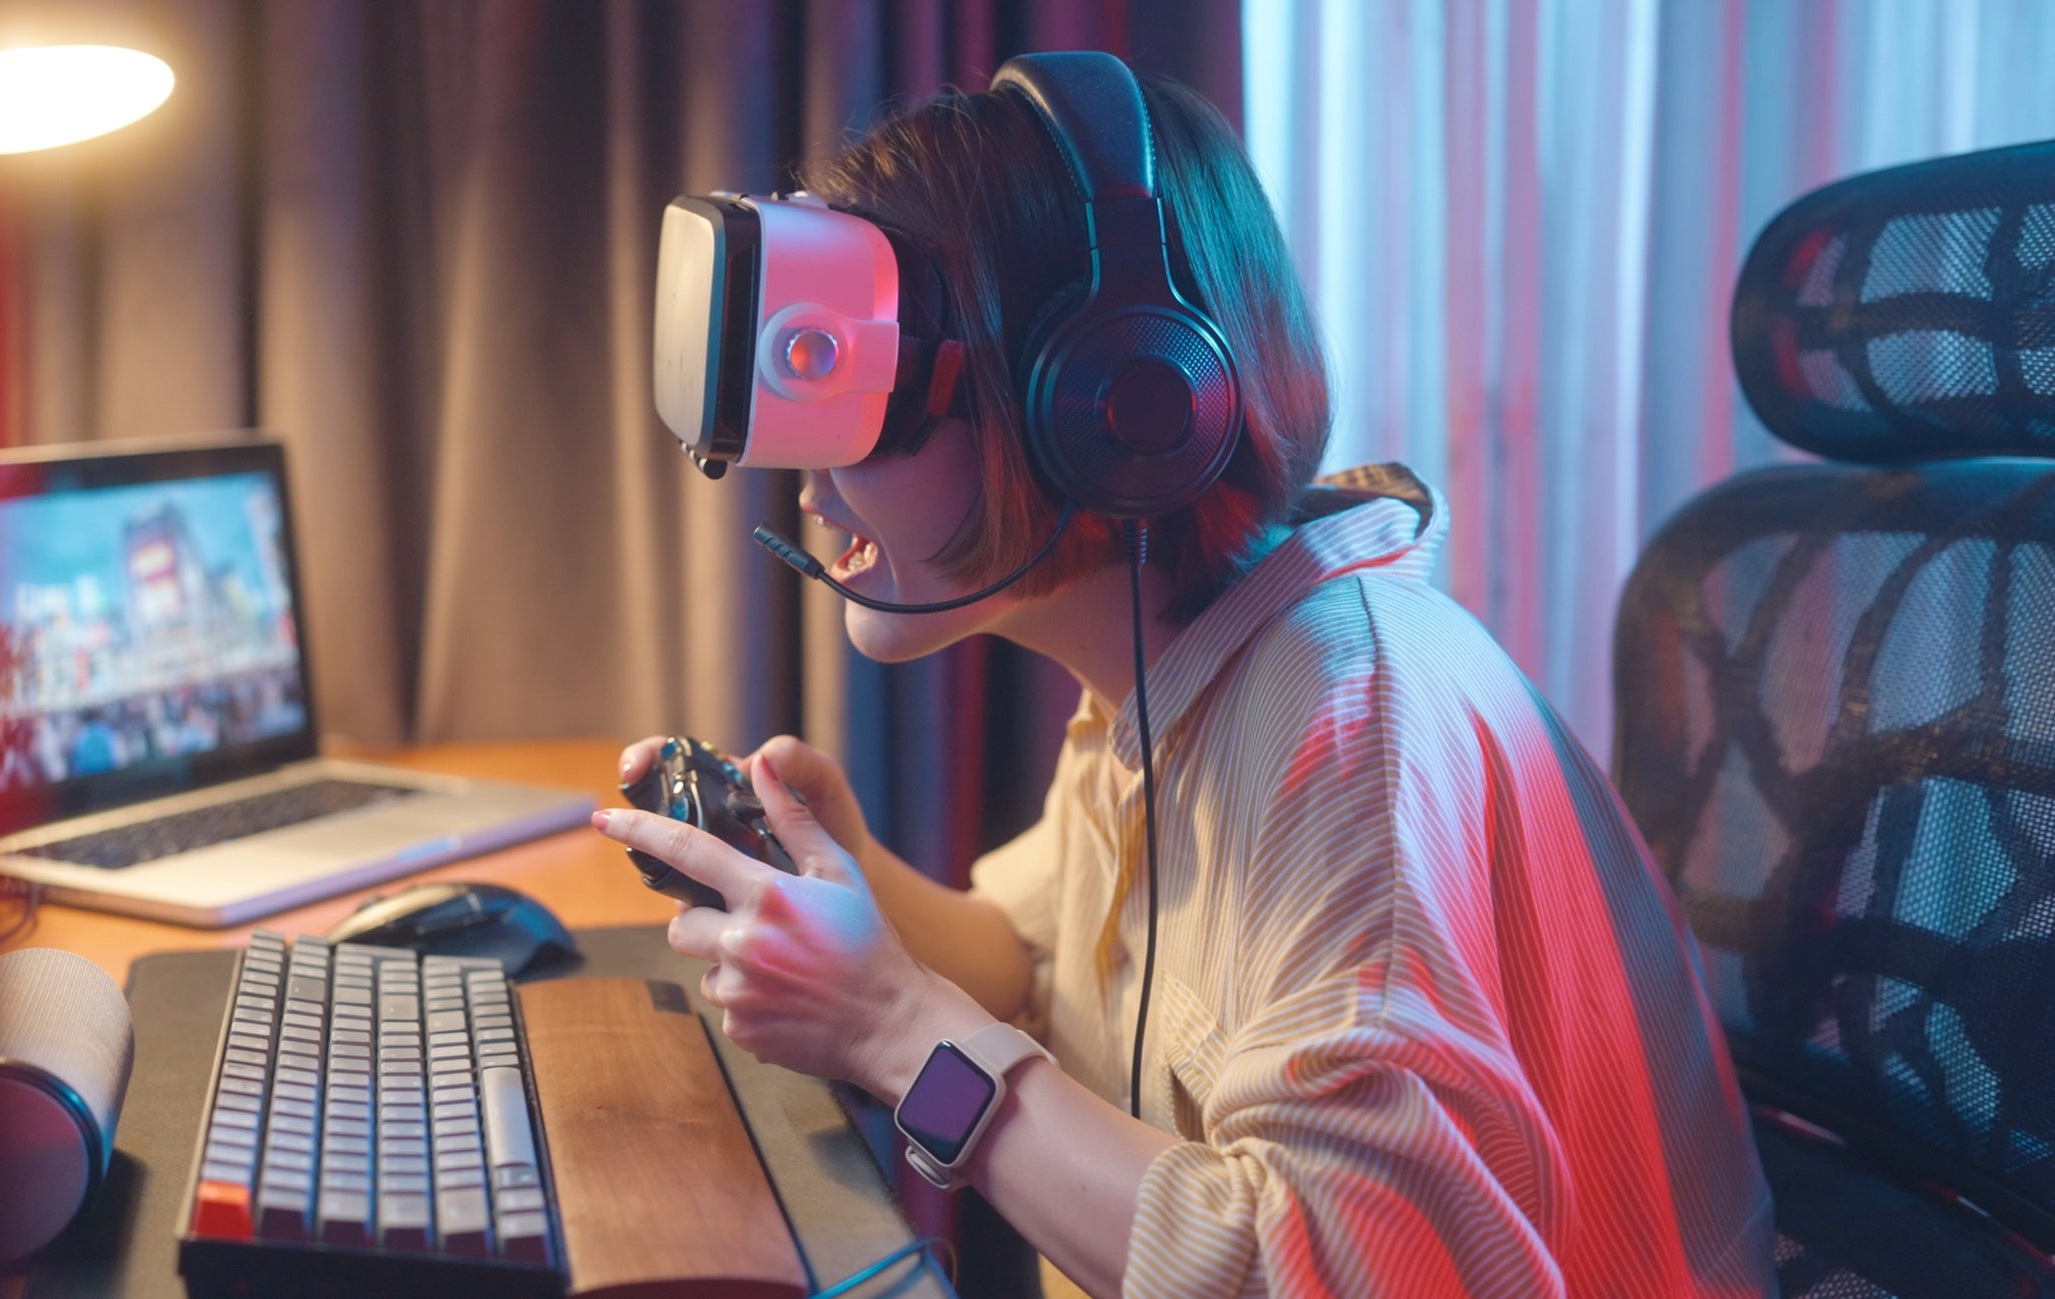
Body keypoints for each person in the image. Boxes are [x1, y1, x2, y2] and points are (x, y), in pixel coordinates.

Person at [591, 71, 1776, 1299]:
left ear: (1102, 401)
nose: (805, 476)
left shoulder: (1339, 724)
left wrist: (892, 1031)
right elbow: (1034, 964)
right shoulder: (1170, 663)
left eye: (864, 403)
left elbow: (1350, 1275)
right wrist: (841, 878)